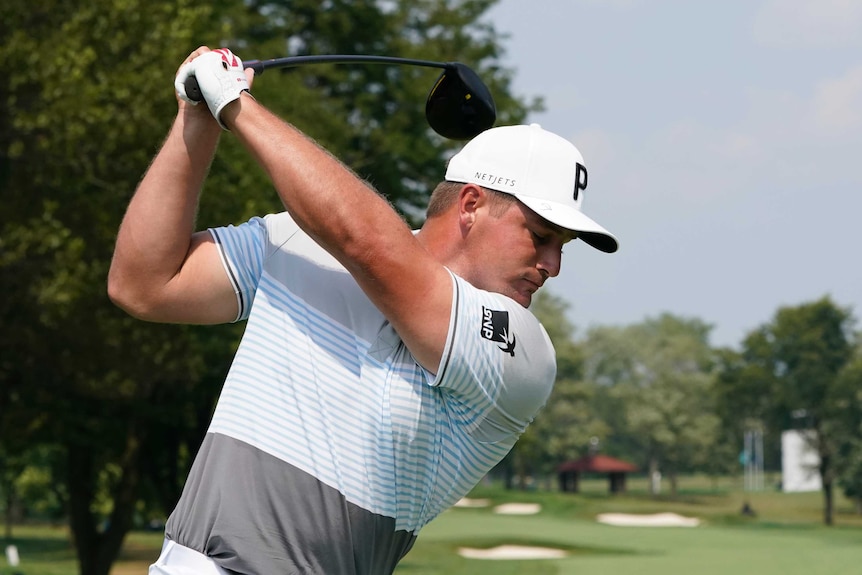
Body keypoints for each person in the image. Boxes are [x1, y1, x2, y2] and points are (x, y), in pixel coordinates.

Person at [108, 46, 618, 574]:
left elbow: (367, 244)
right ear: (471, 205)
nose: (553, 265)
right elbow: (145, 284)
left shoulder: (523, 354)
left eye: (563, 247)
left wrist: (234, 104)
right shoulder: (297, 241)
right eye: (540, 237)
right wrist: (197, 119)